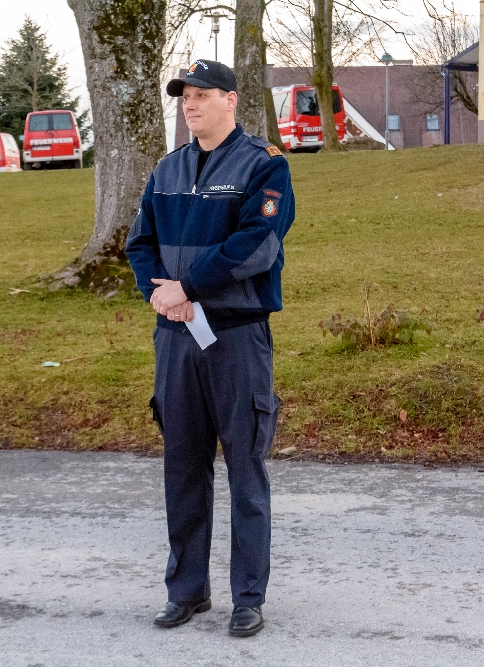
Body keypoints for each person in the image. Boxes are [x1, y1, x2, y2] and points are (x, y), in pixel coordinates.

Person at [125, 59, 296, 636]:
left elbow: (257, 245)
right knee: (182, 467)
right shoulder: (167, 169)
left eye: (201, 95)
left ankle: (248, 596)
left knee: (245, 468)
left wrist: (189, 286)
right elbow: (140, 243)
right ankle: (186, 590)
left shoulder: (264, 165)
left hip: (236, 338)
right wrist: (160, 294)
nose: (190, 105)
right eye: (184, 97)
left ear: (231, 100)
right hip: (176, 339)